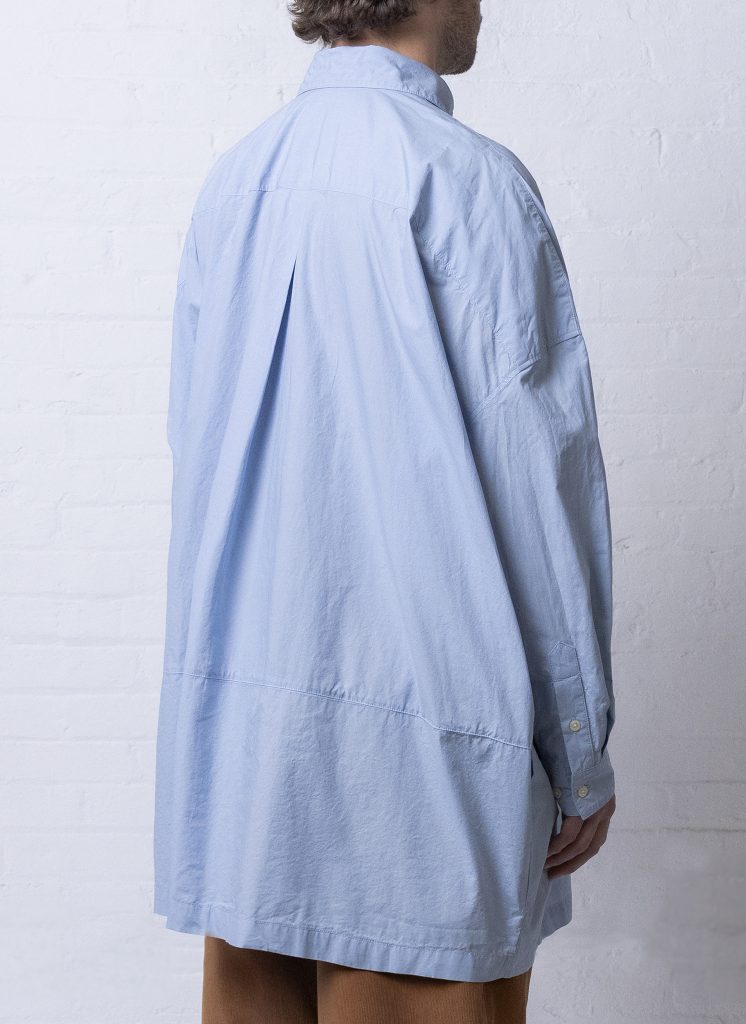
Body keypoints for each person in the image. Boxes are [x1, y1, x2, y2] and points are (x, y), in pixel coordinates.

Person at [153, 1, 618, 1020]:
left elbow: (196, 452)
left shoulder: (238, 179)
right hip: (424, 773)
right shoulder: (469, 182)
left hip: (249, 773)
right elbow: (537, 491)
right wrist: (578, 753)